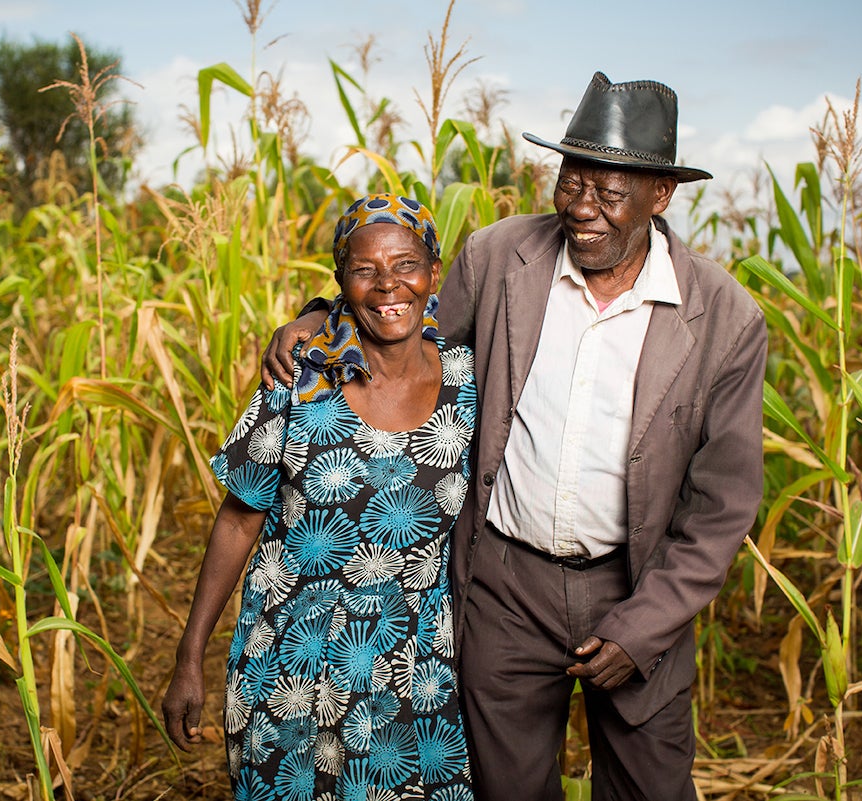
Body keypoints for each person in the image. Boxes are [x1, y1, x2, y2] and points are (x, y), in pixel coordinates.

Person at [262, 72, 767, 801]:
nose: (582, 207)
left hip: (635, 592)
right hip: (504, 586)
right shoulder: (500, 257)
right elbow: (408, 332)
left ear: (662, 196)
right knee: (508, 788)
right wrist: (323, 317)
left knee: (650, 787)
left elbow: (723, 504)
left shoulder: (723, 317)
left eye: (609, 191)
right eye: (572, 180)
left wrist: (645, 625)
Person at [163, 194, 476, 800]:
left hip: (421, 680)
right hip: (289, 670)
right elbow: (237, 519)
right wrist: (188, 655)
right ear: (341, 283)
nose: (388, 285)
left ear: (433, 274)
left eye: (406, 264)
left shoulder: (471, 381)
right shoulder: (301, 378)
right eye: (364, 270)